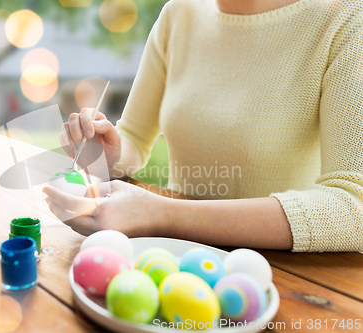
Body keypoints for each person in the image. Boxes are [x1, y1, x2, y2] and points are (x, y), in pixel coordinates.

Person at [43, 0, 363, 252]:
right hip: (173, 253)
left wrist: (161, 215)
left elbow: (353, 208)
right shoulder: (178, 14)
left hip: (283, 273)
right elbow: (135, 137)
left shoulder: (344, 19)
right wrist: (108, 155)